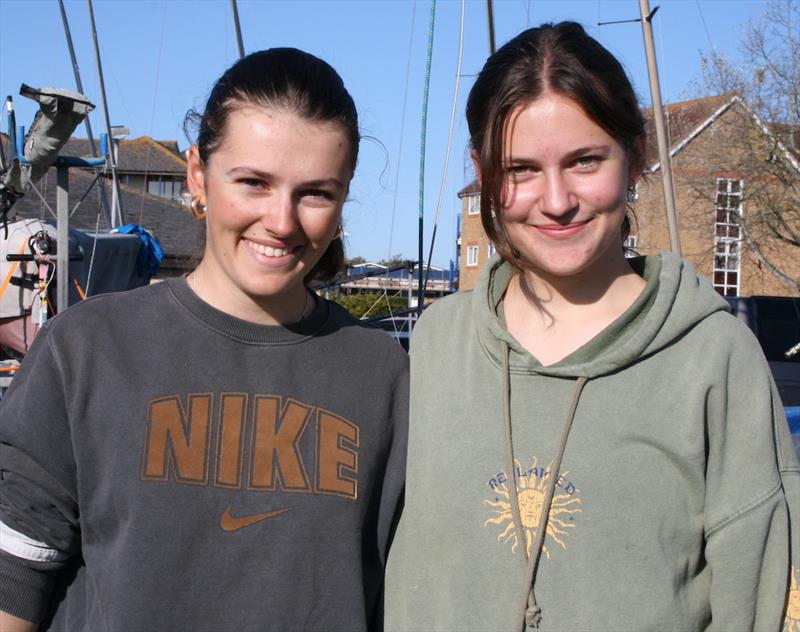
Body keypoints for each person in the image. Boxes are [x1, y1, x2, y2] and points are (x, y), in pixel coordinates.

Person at [385, 22, 798, 632]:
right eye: (520, 169)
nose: (556, 200)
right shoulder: (431, 349)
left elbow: (752, 599)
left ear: (634, 159)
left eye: (584, 161)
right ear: (483, 172)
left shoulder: (713, 358)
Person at [0, 48, 408, 632]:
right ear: (197, 174)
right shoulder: (85, 350)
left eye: (315, 192)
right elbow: (15, 583)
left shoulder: (384, 375)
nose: (282, 220)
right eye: (253, 182)